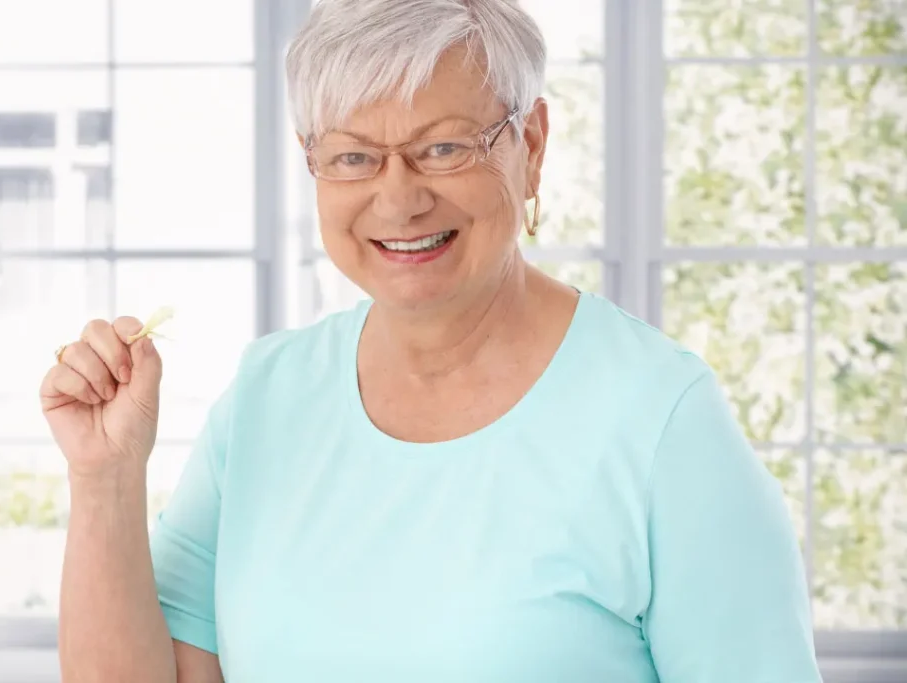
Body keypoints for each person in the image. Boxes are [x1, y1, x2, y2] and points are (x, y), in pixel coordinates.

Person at [40, 1, 823, 681]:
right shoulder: (266, 398)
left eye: (444, 146)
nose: (399, 195)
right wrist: (105, 480)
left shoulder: (663, 421)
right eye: (353, 155)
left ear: (534, 145)